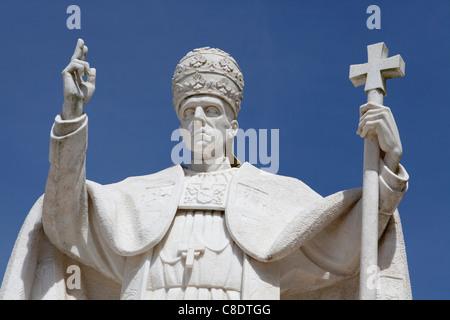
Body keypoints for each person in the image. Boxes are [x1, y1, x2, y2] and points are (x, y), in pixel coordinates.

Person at [0, 39, 411, 300]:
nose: (199, 119)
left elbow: (349, 243)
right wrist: (72, 117)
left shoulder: (275, 195)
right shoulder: (139, 195)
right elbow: (65, 221)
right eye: (189, 111)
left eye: (211, 111)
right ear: (179, 126)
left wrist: (388, 163)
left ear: (232, 127)